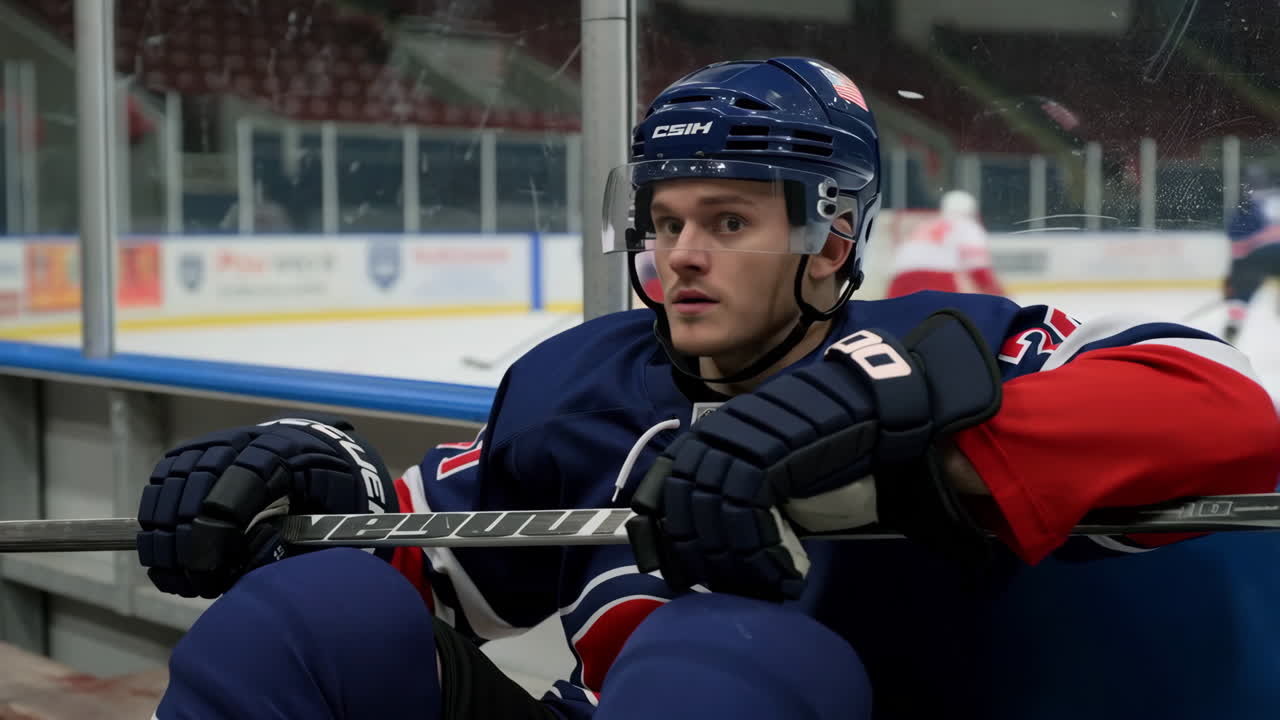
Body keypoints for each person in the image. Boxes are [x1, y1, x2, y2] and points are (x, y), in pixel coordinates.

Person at [136, 57, 1280, 719]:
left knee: (724, 664)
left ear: (830, 239)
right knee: (296, 624)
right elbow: (431, 552)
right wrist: (310, 478)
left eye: (726, 221)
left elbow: (1220, 402)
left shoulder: (944, 348)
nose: (680, 253)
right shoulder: (580, 381)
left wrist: (888, 410)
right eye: (666, 220)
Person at [884, 189, 1004, 297]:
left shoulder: (926, 225)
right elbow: (979, 270)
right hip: (938, 281)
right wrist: (1001, 296)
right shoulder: (968, 226)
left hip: (899, 281)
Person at [1223, 165, 1280, 344]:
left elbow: (1237, 241)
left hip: (1255, 254)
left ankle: (1235, 319)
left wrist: (1233, 279)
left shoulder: (1246, 203)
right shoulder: (1275, 197)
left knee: (1243, 292)